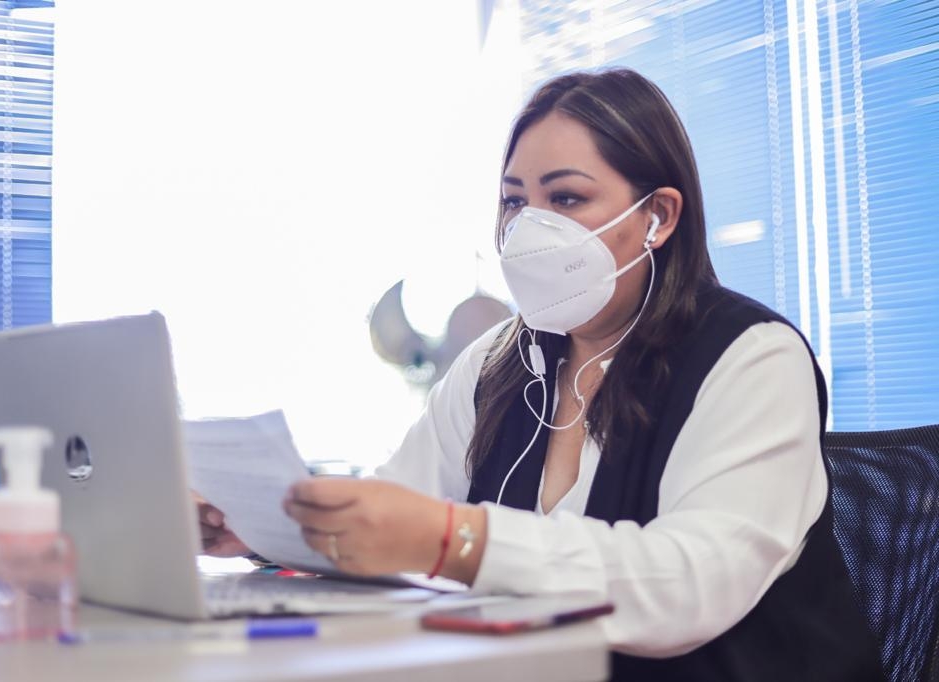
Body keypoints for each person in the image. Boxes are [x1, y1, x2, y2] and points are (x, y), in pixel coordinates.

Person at [201, 67, 883, 680]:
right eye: (514, 201)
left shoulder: (753, 357)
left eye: (566, 199)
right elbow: (390, 514)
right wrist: (265, 525)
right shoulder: (496, 360)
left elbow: (686, 588)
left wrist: (454, 539)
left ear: (657, 216)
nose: (530, 228)